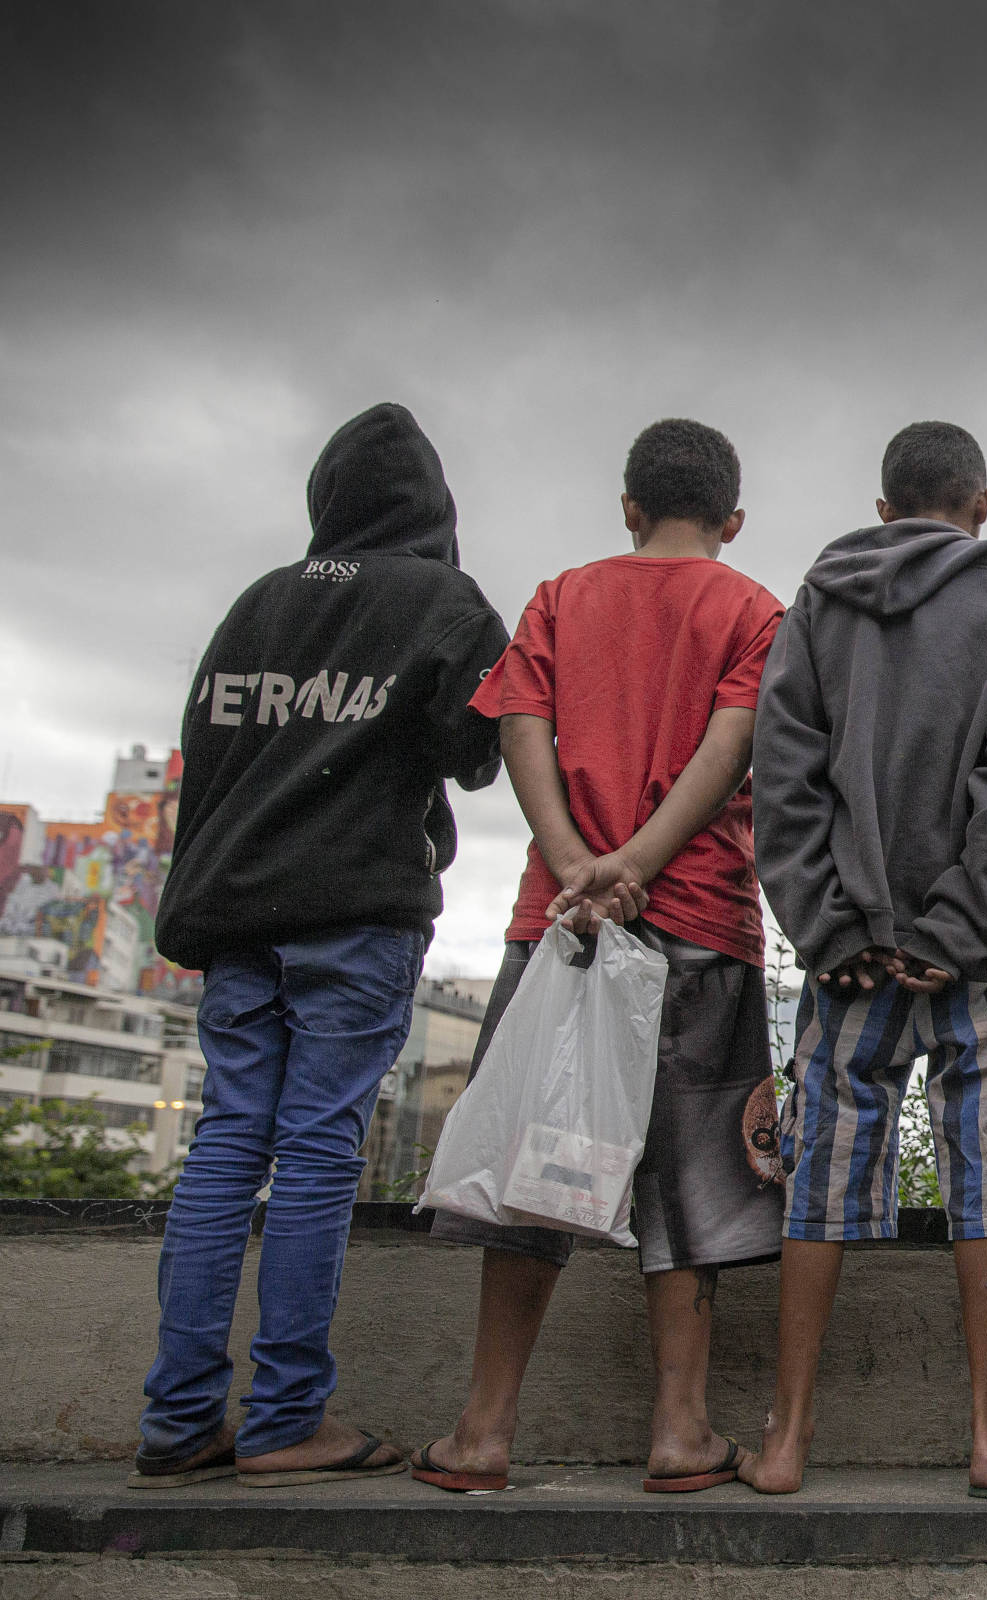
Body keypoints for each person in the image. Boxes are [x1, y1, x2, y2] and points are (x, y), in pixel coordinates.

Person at [137, 402, 510, 1488]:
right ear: (433, 508)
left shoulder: (254, 606)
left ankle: (178, 1418)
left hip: (235, 913)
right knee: (315, 1150)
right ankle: (285, 1418)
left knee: (225, 1143)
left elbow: (204, 764)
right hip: (353, 915)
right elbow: (477, 752)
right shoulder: (441, 600)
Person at [412, 418, 789, 1495]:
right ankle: (680, 1432)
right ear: (733, 518)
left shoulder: (559, 596)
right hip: (704, 923)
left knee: (533, 1167)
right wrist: (644, 861)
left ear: (628, 506)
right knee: (694, 1179)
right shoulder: (754, 608)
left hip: (560, 927)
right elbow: (736, 740)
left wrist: (583, 863)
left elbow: (520, 723)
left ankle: (482, 1432)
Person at [746, 420, 987, 1498]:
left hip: (850, 959)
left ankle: (786, 1441)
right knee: (986, 1175)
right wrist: (961, 928)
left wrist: (829, 927)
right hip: (968, 960)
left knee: (821, 1183)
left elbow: (781, 774)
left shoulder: (819, 599)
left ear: (884, 510)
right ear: (982, 502)